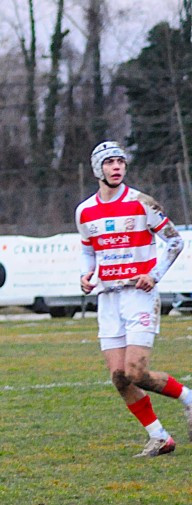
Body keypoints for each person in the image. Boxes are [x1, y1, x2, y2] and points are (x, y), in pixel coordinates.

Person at [77, 141, 190, 457]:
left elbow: (175, 242)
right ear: (97, 168)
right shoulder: (84, 211)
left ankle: (189, 398)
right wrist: (86, 274)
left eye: (120, 162)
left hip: (140, 297)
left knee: (136, 372)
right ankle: (159, 436)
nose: (116, 167)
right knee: (119, 377)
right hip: (108, 299)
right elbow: (88, 250)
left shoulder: (142, 203)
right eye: (109, 162)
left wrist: (154, 275)